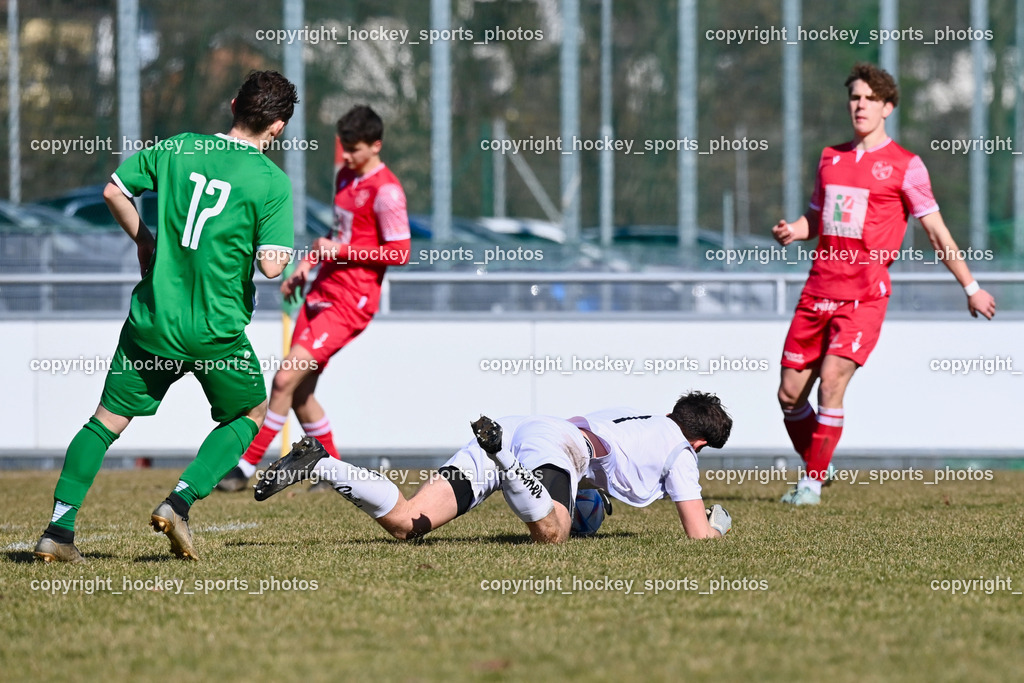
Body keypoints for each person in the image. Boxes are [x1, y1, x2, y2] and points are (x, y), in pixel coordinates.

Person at [33, 70, 298, 563]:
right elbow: (270, 266)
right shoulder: (271, 182)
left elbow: (114, 191)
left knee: (104, 423)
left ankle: (58, 531)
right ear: (278, 127)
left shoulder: (178, 147)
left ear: (234, 104)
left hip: (152, 321)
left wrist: (145, 241)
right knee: (250, 415)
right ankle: (178, 502)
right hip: (215, 330)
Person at [771, 63, 997, 505]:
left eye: (870, 99)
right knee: (789, 395)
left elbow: (937, 233)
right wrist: (795, 230)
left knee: (831, 382)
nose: (861, 105)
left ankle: (810, 485)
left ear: (887, 107)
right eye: (855, 97)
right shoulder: (830, 158)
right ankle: (820, 463)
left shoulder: (906, 166)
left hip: (863, 297)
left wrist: (971, 288)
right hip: (817, 290)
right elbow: (817, 216)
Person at [216, 105, 411, 492]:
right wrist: (306, 265)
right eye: (344, 147)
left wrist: (340, 252)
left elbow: (400, 253)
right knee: (301, 394)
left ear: (376, 145)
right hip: (322, 290)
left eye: (355, 149)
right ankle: (334, 473)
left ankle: (244, 467)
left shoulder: (387, 191)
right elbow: (336, 235)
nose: (347, 156)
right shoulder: (345, 177)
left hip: (351, 302)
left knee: (285, 378)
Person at [253, 391, 734, 543]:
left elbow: (597, 451)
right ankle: (503, 459)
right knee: (553, 534)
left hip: (524, 427)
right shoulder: (682, 453)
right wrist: (719, 526)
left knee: (408, 523)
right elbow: (698, 534)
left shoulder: (639, 416)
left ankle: (322, 464)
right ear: (699, 442)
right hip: (546, 446)